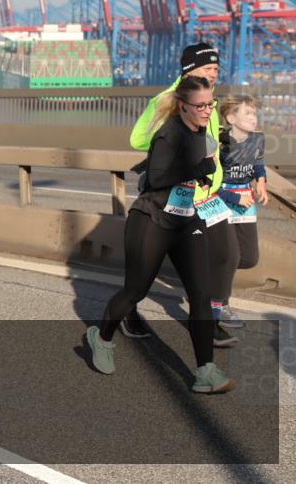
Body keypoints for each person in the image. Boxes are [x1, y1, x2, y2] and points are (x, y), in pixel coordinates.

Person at [86, 76, 234, 394]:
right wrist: (197, 171)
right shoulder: (169, 134)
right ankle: (101, 337)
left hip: (185, 220)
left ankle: (205, 371)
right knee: (135, 291)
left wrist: (214, 167)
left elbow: (203, 169)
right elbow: (156, 177)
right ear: (183, 106)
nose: (208, 110)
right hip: (152, 219)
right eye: (201, 105)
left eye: (211, 104)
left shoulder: (200, 133)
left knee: (200, 293)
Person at [128, 42, 237, 347]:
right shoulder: (169, 99)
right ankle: (128, 310)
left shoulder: (207, 98)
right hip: (178, 195)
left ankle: (209, 322)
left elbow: (207, 140)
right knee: (147, 271)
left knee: (223, 256)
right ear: (190, 69)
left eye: (216, 68)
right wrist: (172, 137)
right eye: (208, 68)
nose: (214, 73)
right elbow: (137, 138)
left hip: (207, 193)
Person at [215, 95, 268, 328]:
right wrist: (234, 196)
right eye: (247, 113)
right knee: (230, 256)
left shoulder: (257, 140)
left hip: (246, 200)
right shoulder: (219, 143)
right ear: (230, 118)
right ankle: (220, 304)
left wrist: (261, 181)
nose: (253, 118)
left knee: (248, 257)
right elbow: (209, 183)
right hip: (222, 199)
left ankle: (212, 275)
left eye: (254, 114)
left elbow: (258, 162)